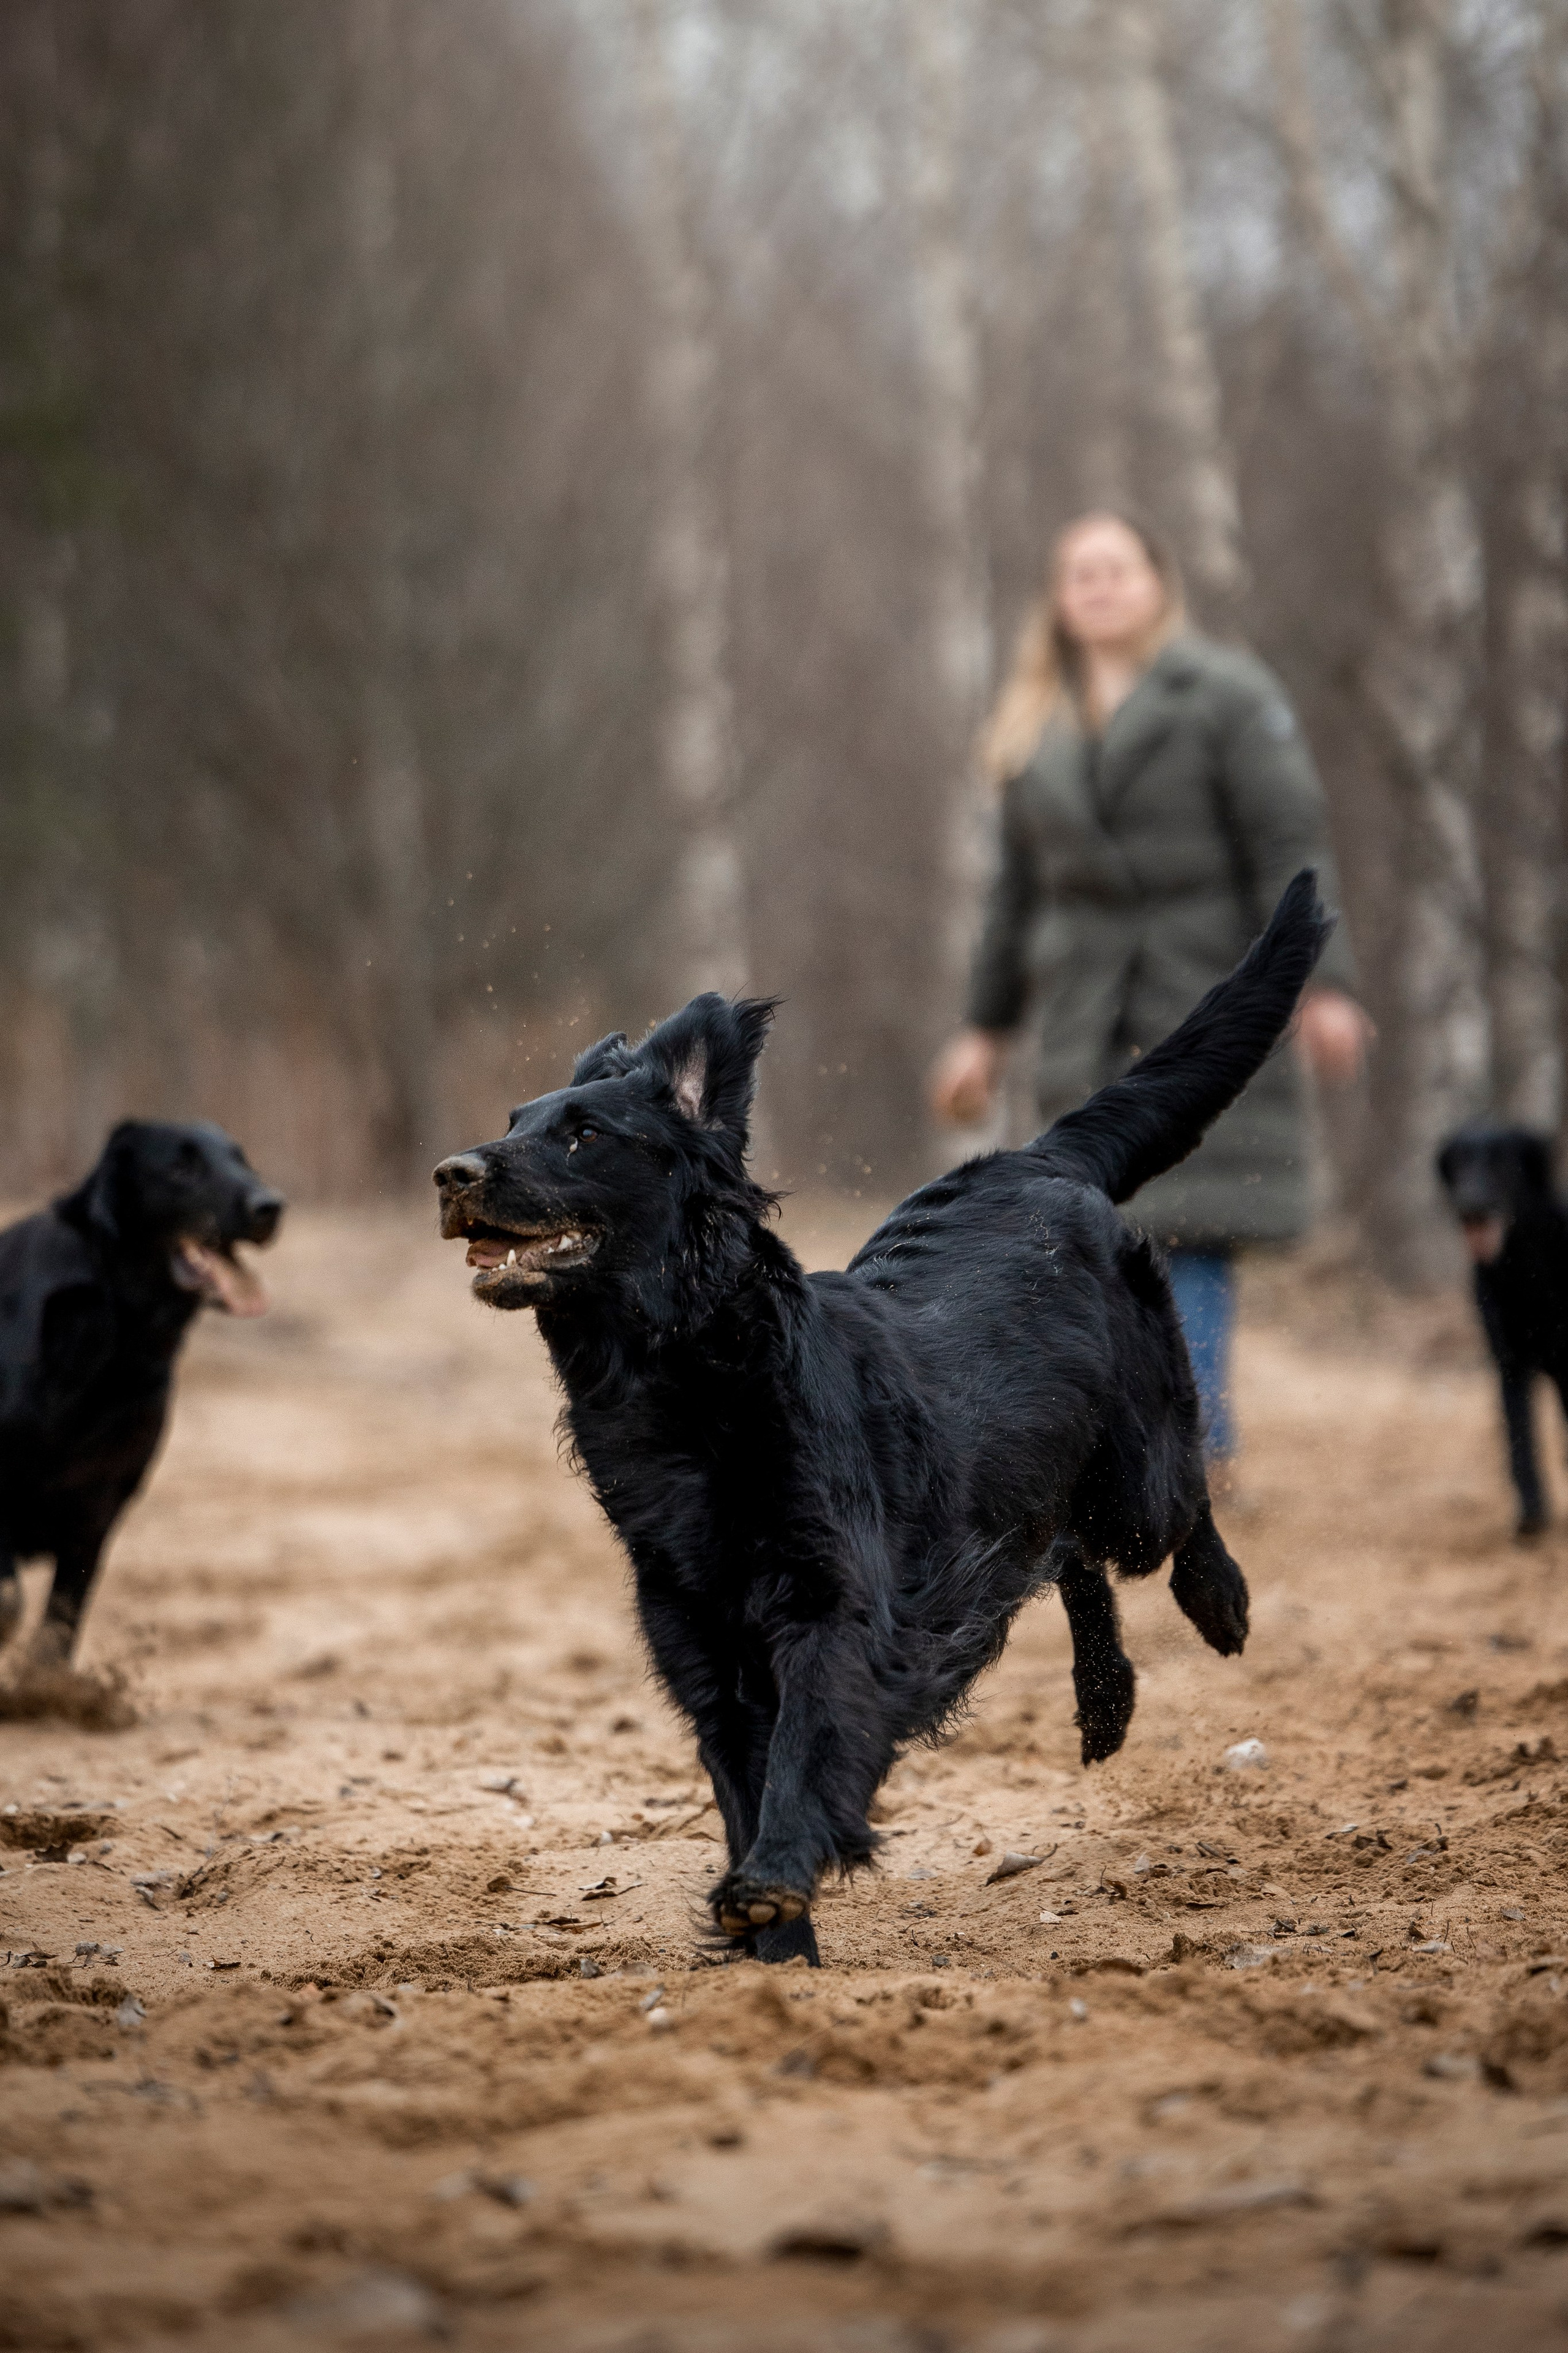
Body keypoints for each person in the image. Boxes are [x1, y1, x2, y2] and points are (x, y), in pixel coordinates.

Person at [929, 510, 1369, 1471]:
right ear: (1059, 597)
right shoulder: (1031, 721)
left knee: (1193, 1224)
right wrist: (984, 1027)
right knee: (1095, 1225)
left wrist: (1322, 982)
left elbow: (1289, 843)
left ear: (1158, 582)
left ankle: (1197, 1444)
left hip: (1203, 994)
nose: (1096, 586)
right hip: (1084, 1015)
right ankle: (1123, 1442)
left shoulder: (1227, 695)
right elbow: (1013, 895)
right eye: (1077, 572)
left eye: (1115, 569)